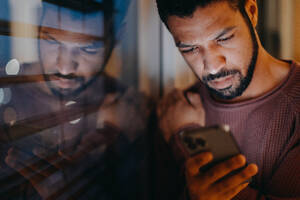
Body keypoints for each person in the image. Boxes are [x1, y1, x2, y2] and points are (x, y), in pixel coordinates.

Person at [0, 0, 152, 199]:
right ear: (37, 21)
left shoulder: (133, 116)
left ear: (117, 36)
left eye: (88, 49)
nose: (65, 68)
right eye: (52, 41)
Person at [155, 0, 300, 199]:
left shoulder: (177, 126)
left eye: (223, 38)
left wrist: (185, 137)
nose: (212, 67)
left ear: (251, 12)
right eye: (190, 49)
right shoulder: (174, 111)